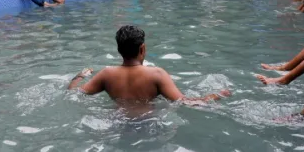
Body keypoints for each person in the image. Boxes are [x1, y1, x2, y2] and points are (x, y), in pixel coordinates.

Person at [67, 25, 230, 104]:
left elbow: (74, 93)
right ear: (142, 48)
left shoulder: (106, 74)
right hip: (148, 123)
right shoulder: (156, 74)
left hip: (116, 122)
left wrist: (79, 76)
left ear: (119, 50)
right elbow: (186, 102)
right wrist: (217, 95)